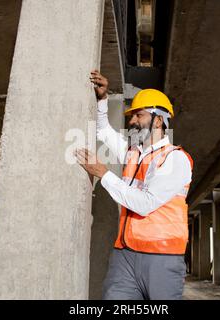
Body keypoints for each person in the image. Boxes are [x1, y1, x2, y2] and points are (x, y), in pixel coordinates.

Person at [75, 70, 193, 300]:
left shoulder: (175, 159)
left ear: (158, 119)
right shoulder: (133, 153)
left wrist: (103, 173)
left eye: (138, 116)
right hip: (125, 255)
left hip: (162, 258)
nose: (132, 121)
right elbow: (103, 131)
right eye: (132, 116)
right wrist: (102, 99)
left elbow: (145, 204)